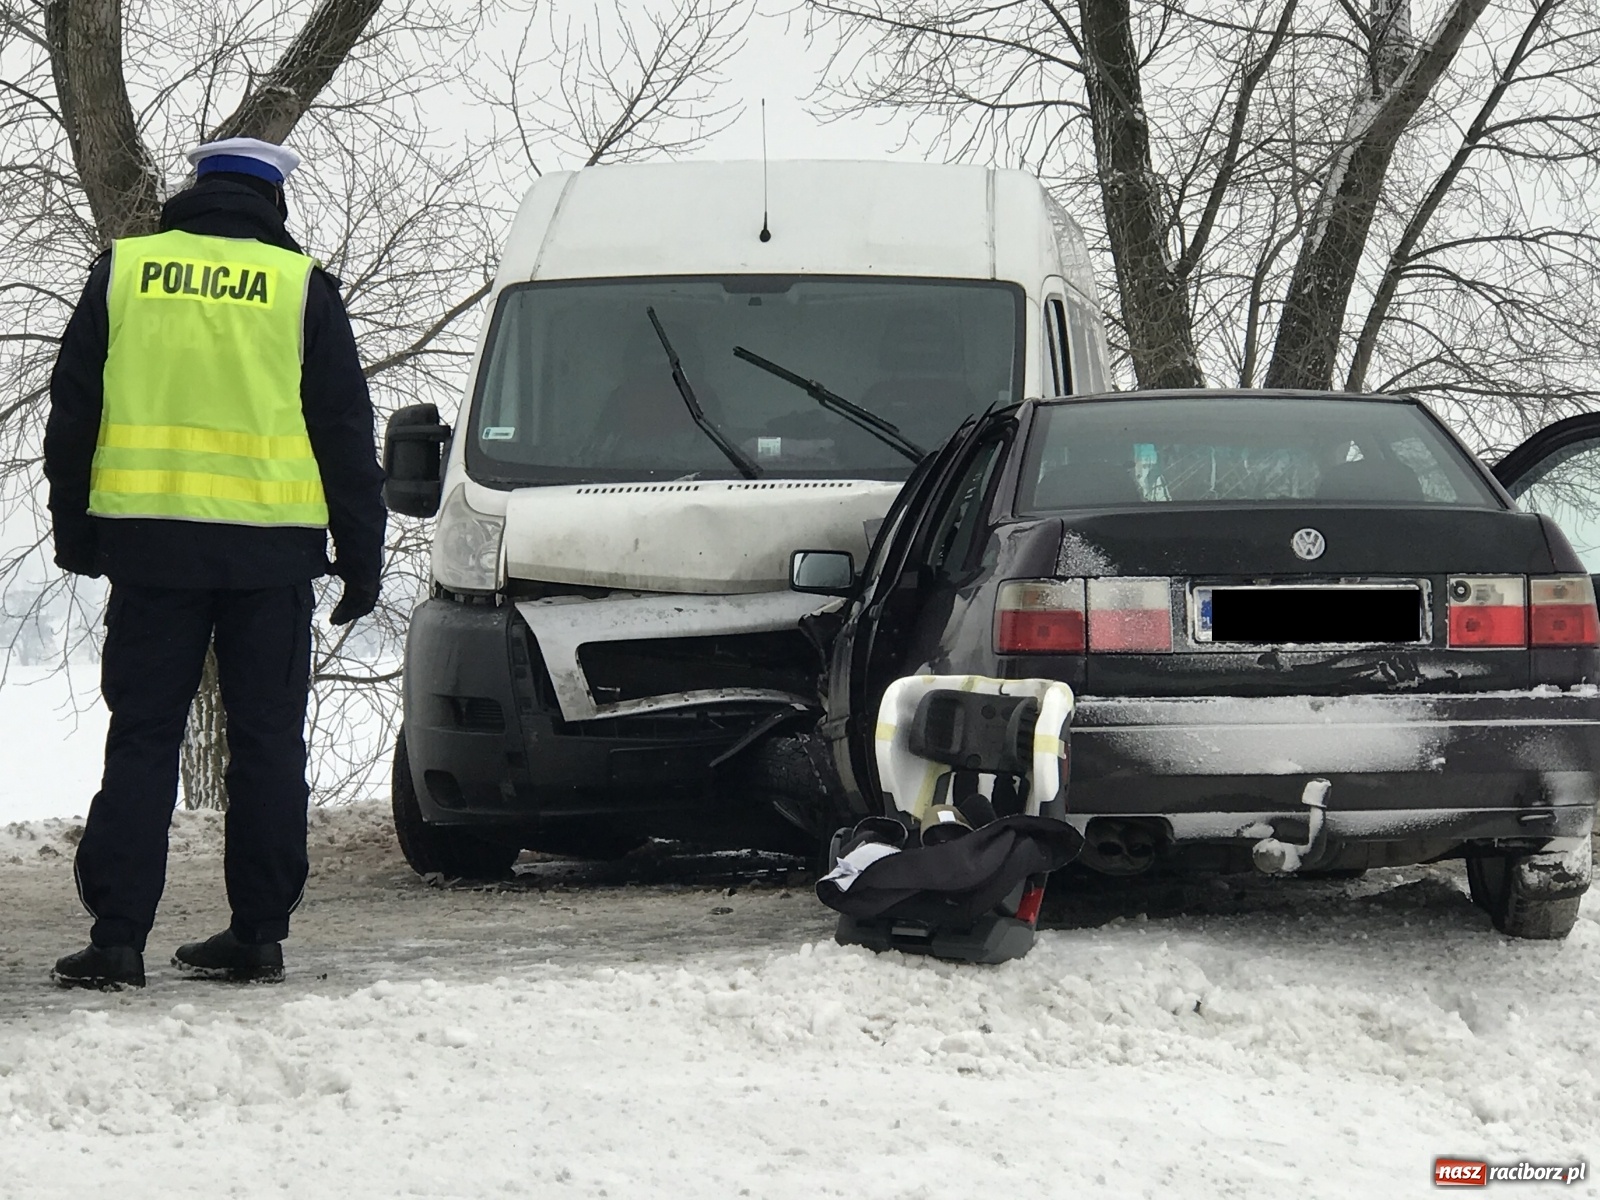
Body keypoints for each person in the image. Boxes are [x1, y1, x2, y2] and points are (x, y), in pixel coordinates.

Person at [44, 137, 386, 989]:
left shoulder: (126, 270)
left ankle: (118, 939)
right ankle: (258, 934)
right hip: (272, 559)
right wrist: (362, 555)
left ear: (194, 192)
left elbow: (73, 409)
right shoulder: (301, 287)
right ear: (273, 203)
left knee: (143, 739)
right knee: (269, 743)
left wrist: (75, 528)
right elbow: (344, 432)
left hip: (150, 548)